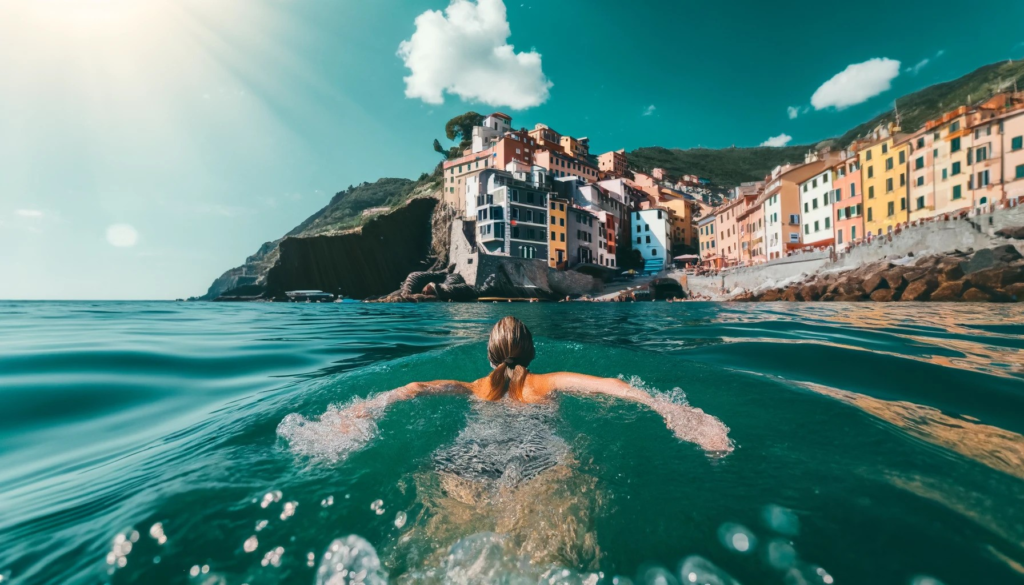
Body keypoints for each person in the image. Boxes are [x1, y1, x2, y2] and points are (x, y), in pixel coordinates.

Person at [343, 316, 731, 453]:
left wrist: (364, 410)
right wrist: (675, 412)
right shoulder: (549, 382)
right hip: (537, 458)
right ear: (532, 353)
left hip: (468, 457)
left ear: (490, 356)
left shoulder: (474, 387)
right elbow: (612, 386)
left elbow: (414, 387)